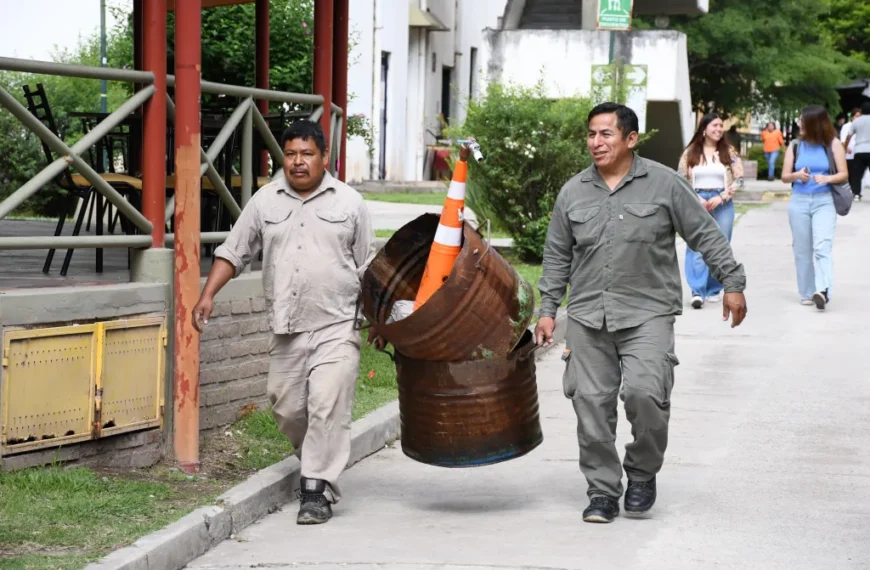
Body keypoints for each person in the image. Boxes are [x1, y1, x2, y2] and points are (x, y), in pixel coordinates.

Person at [534, 102, 747, 524]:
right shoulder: (573, 192)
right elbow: (557, 255)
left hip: (648, 312)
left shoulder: (664, 184)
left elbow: (705, 233)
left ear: (631, 139)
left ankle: (642, 473)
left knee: (646, 395)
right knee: (590, 405)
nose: (596, 142)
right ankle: (602, 491)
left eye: (606, 134)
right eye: (591, 134)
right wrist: (548, 309)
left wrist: (732, 283)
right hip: (589, 315)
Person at [191, 120, 375, 525]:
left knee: (326, 405)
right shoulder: (265, 201)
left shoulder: (350, 203)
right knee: (288, 408)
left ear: (324, 157)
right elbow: (234, 251)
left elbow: (368, 268)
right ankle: (317, 461)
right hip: (287, 327)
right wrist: (208, 295)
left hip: (338, 325)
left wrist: (378, 319)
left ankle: (315, 491)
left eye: (307, 154)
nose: (298, 162)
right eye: (290, 154)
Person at [781, 106, 848, 310]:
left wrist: (827, 178)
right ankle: (807, 292)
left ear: (814, 124)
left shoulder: (833, 144)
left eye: (802, 121)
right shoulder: (795, 146)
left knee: (822, 246)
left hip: (824, 201)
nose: (799, 124)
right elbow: (785, 176)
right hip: (799, 201)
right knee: (802, 249)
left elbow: (844, 174)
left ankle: (823, 290)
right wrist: (796, 175)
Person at [677, 113, 745, 309]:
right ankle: (697, 291)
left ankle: (714, 289)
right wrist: (695, 197)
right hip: (696, 200)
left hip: (722, 201)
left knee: (720, 246)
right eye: (714, 125)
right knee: (696, 245)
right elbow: (680, 178)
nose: (718, 129)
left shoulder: (729, 151)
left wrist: (722, 196)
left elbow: (740, 179)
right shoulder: (690, 152)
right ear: (704, 128)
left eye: (720, 126)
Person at [846, 101, 870, 201]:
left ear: (862, 111)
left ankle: (856, 193)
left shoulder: (856, 121)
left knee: (857, 174)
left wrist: (845, 146)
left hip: (859, 150)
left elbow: (849, 136)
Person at [840, 107, 861, 199]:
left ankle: (855, 191)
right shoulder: (846, 126)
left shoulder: (862, 126)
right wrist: (846, 147)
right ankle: (848, 191)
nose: (858, 118)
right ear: (852, 117)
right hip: (848, 154)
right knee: (849, 173)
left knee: (856, 173)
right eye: (856, 116)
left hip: (858, 153)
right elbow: (843, 139)